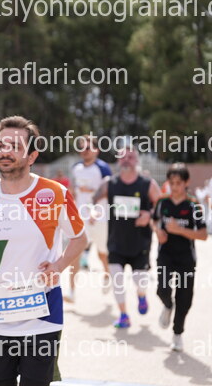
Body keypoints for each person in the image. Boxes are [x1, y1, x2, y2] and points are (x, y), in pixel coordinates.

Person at [0, 116, 87, 386]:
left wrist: (58, 265)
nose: (5, 151)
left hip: (43, 315)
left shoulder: (55, 193)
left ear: (32, 156)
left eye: (15, 146)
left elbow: (79, 238)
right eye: (1, 145)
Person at [93, 146, 161, 328]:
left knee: (140, 281)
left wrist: (149, 215)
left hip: (140, 242)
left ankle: (141, 295)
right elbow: (95, 199)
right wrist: (95, 211)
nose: (126, 160)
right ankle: (124, 315)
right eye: (123, 157)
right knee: (117, 280)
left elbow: (162, 205)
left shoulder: (147, 184)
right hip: (116, 241)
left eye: (130, 157)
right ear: (118, 160)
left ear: (137, 160)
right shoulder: (110, 183)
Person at [152, 163, 207, 352]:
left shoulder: (193, 205)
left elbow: (203, 235)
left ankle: (177, 333)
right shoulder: (162, 201)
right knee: (162, 289)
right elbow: (155, 220)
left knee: (185, 298)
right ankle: (168, 306)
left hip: (186, 258)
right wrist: (158, 231)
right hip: (165, 254)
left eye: (179, 183)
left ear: (186, 182)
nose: (175, 187)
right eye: (172, 183)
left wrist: (179, 230)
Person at [66, 135, 112, 303]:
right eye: (81, 148)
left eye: (87, 147)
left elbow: (109, 190)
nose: (84, 151)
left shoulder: (103, 168)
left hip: (99, 217)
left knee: (102, 254)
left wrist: (94, 205)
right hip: (81, 217)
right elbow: (72, 190)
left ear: (96, 150)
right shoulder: (76, 168)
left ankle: (107, 274)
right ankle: (71, 292)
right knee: (75, 254)